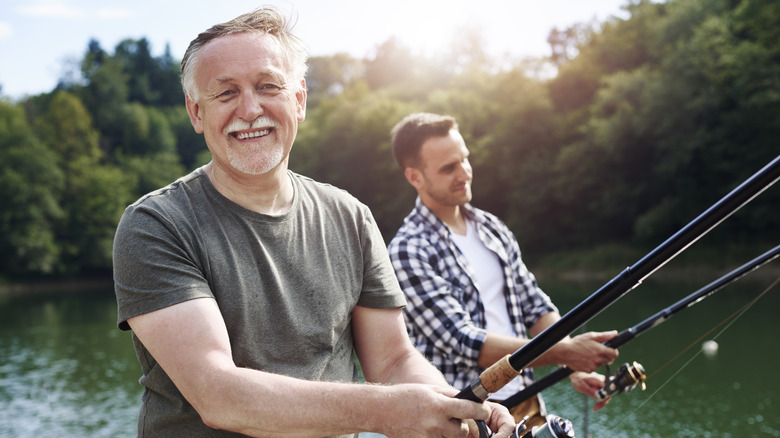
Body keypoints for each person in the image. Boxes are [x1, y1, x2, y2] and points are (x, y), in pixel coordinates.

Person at [112, 9, 514, 438]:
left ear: (299, 100)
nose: (249, 109)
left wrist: (455, 405)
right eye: (226, 93)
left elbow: (395, 362)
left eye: (268, 86)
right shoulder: (154, 226)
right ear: (196, 113)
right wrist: (385, 411)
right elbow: (219, 395)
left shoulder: (351, 216)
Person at [387, 113, 620, 429]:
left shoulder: (491, 228)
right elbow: (465, 342)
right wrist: (566, 351)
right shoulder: (408, 250)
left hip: (526, 401)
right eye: (448, 168)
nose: (464, 173)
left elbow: (535, 306)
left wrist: (572, 363)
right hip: (465, 417)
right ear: (414, 176)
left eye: (465, 160)